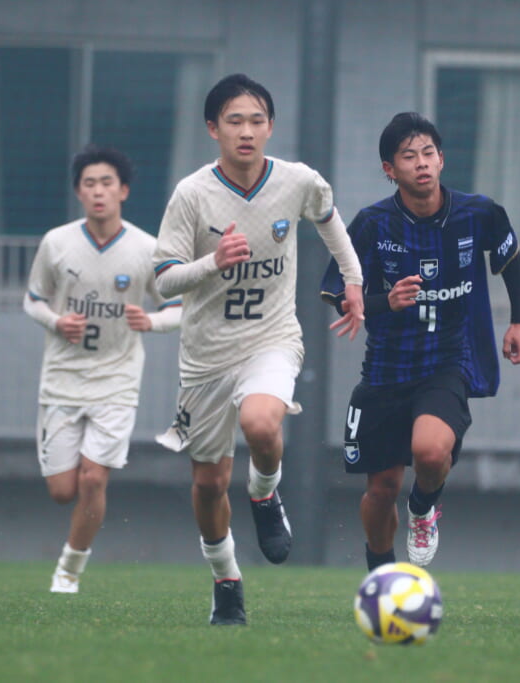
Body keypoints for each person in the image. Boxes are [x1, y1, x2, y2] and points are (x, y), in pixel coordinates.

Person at [152, 73, 364, 625]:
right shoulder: (191, 194)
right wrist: (213, 262)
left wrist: (354, 281)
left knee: (262, 423)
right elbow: (163, 279)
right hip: (205, 356)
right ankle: (226, 581)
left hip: (271, 338)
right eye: (234, 121)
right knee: (208, 484)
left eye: (256, 121)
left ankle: (265, 494)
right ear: (212, 128)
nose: (246, 132)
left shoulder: (297, 181)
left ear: (270, 126)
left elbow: (329, 221)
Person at [320, 112, 520, 571]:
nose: (421, 163)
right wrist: (384, 302)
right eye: (409, 156)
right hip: (385, 369)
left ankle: (423, 509)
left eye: (428, 153)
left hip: (447, 362)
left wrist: (519, 321)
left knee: (431, 452)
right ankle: (381, 575)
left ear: (441, 160)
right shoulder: (372, 224)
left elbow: (509, 256)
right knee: (381, 491)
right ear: (389, 169)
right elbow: (339, 295)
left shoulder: (478, 213)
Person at [24, 144, 182, 594]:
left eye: (107, 183)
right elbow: (32, 300)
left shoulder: (146, 248)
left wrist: (150, 321)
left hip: (117, 379)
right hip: (62, 379)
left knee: (94, 477)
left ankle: (68, 572)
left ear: (123, 191)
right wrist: (57, 322)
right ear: (78, 192)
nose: (98, 192)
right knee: (62, 491)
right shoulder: (57, 243)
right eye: (89, 184)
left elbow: (180, 308)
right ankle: (70, 556)